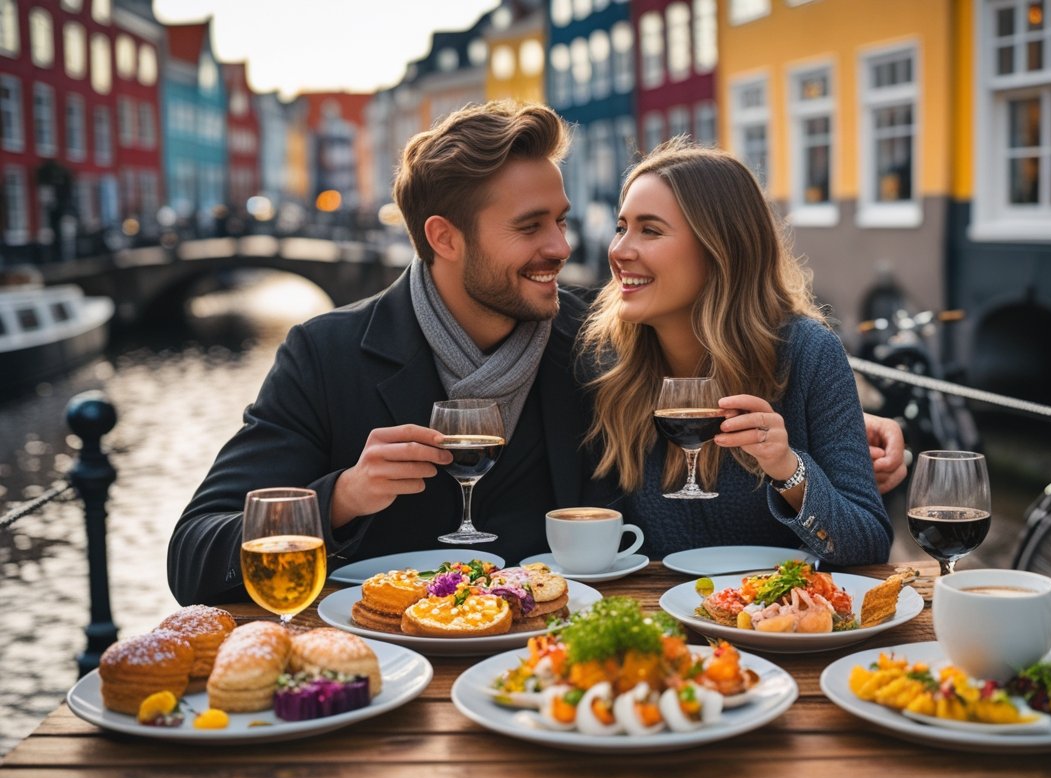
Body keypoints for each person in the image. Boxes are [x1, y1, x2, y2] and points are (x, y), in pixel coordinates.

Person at [168, 102, 906, 605]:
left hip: (551, 670)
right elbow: (194, 556)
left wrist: (845, 448)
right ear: (444, 238)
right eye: (531, 227)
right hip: (389, 667)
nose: (565, 247)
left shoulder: (593, 345)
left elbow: (797, 479)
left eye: (561, 220)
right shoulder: (326, 355)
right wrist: (339, 499)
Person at [577, 138, 891, 563]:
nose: (619, 250)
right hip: (654, 621)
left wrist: (787, 468)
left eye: (649, 230)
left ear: (720, 249)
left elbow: (868, 544)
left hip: (773, 619)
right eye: (621, 227)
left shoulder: (808, 354)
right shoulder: (606, 360)